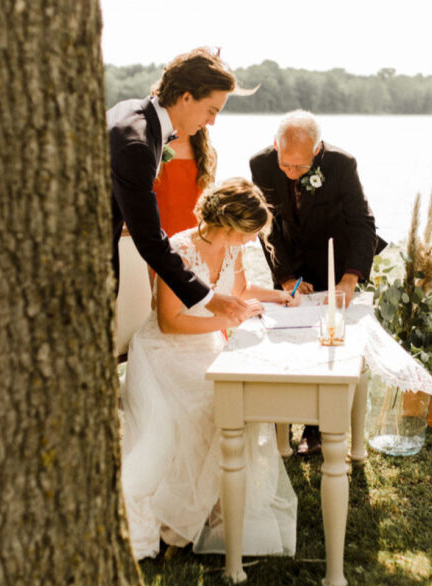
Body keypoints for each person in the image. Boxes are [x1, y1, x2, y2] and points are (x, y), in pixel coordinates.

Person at [121, 178, 299, 560]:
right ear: (230, 224)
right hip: (164, 353)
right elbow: (168, 321)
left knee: (240, 403)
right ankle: (178, 520)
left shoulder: (231, 251)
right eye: (248, 234)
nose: (251, 242)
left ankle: (214, 509)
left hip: (206, 346)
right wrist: (228, 322)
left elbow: (239, 292)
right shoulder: (180, 250)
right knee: (213, 410)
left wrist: (279, 297)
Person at [250, 109, 386, 455]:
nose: (292, 174)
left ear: (317, 150)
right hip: (291, 259)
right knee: (289, 339)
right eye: (286, 165)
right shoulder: (261, 164)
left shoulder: (342, 165)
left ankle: (318, 429)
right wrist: (285, 277)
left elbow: (362, 224)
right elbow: (268, 226)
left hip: (335, 261)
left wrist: (349, 281)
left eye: (301, 167)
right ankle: (286, 419)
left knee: (328, 345)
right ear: (275, 146)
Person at [108, 47, 250, 325]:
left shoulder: (131, 110)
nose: (212, 121)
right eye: (211, 110)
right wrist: (208, 297)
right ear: (186, 97)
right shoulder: (137, 143)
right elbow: (149, 240)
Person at [153, 127, 216, 236]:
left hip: (195, 237)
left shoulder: (208, 153)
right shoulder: (153, 148)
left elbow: (209, 202)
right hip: (156, 235)